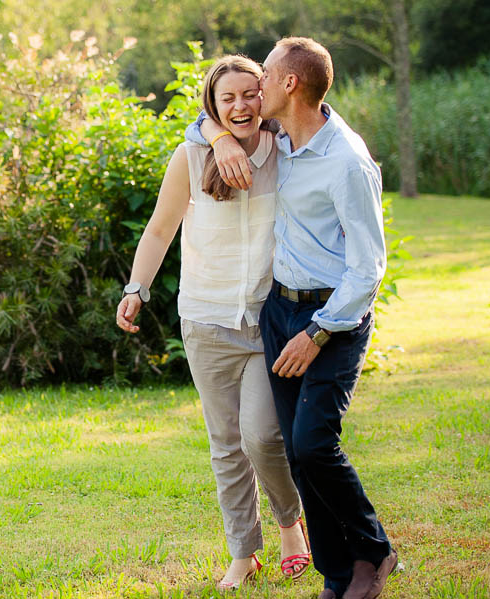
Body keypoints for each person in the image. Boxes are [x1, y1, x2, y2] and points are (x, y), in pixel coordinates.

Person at [187, 37, 398, 599]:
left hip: (332, 320)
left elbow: (369, 267)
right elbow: (200, 120)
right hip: (280, 312)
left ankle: (374, 551)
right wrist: (214, 136)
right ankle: (335, 573)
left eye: (266, 76)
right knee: (296, 457)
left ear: (289, 86)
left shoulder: (347, 161)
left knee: (311, 444)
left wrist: (318, 331)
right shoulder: (283, 139)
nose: (254, 89)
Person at [115, 55, 311, 590]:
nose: (241, 106)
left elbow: (318, 114)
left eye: (251, 93)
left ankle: (291, 523)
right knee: (225, 444)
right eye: (227, 99)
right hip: (205, 320)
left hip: (267, 321)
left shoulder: (286, 153)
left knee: (263, 438)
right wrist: (137, 287)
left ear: (266, 95)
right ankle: (243, 552)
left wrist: (225, 136)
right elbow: (159, 231)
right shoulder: (190, 154)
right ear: (212, 104)